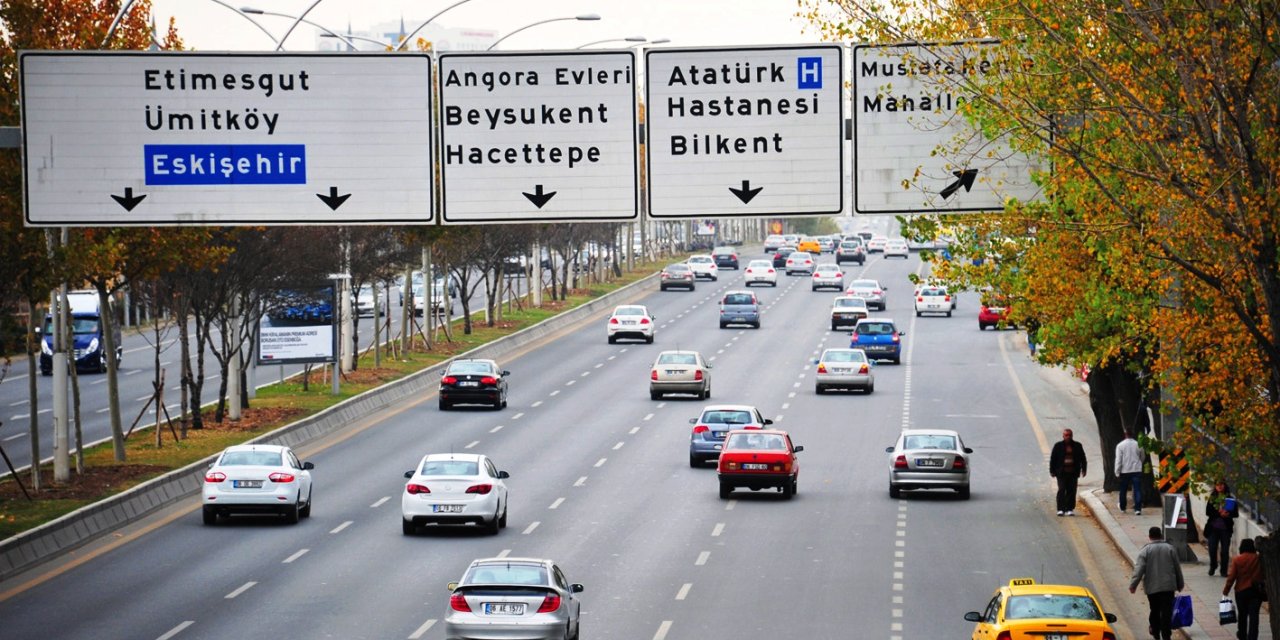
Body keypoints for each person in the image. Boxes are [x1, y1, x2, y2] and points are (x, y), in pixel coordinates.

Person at [1130, 526, 1185, 640]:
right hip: (1168, 587)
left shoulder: (1145, 550)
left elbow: (1139, 569)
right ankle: (1166, 635)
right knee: (1166, 612)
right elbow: (1177, 568)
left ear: (1149, 537)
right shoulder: (1170, 549)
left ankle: (1155, 632)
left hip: (1152, 588)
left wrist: (1133, 585)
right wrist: (1180, 584)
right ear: (1161, 535)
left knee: (1154, 610)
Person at [1223, 538, 1264, 640]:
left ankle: (1242, 635)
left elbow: (1231, 577)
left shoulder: (1237, 560)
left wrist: (1226, 591)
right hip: (1256, 591)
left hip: (1241, 592)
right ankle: (1252, 637)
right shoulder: (1258, 558)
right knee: (1254, 616)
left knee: (1242, 615)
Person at [1049, 429, 1088, 516]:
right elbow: (1053, 459)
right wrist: (1052, 471)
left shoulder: (1077, 446)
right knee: (1062, 489)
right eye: (1066, 435)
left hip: (1073, 472)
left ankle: (1069, 508)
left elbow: (1083, 458)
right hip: (1061, 473)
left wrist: (1084, 469)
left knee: (1071, 490)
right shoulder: (1058, 446)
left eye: (1069, 435)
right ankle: (1060, 508)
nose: (1068, 437)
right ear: (1063, 436)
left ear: (1072, 436)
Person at [1205, 480, 1239, 576]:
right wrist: (1219, 513)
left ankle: (1223, 570)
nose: (1219, 486)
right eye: (1217, 485)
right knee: (1212, 548)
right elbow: (1208, 512)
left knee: (1225, 550)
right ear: (1215, 486)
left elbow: (1235, 514)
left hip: (1225, 528)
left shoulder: (1230, 499)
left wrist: (1227, 514)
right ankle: (1213, 565)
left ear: (1225, 486)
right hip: (1213, 528)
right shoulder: (1212, 498)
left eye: (1221, 484)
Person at [1114, 430, 1144, 514]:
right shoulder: (1138, 444)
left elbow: (1118, 460)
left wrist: (1117, 472)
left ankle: (1123, 507)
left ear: (1125, 435)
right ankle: (1138, 509)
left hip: (1125, 470)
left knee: (1123, 490)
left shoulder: (1120, 445)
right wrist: (1139, 463)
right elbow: (1142, 457)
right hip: (1136, 469)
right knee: (1137, 489)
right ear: (1132, 434)